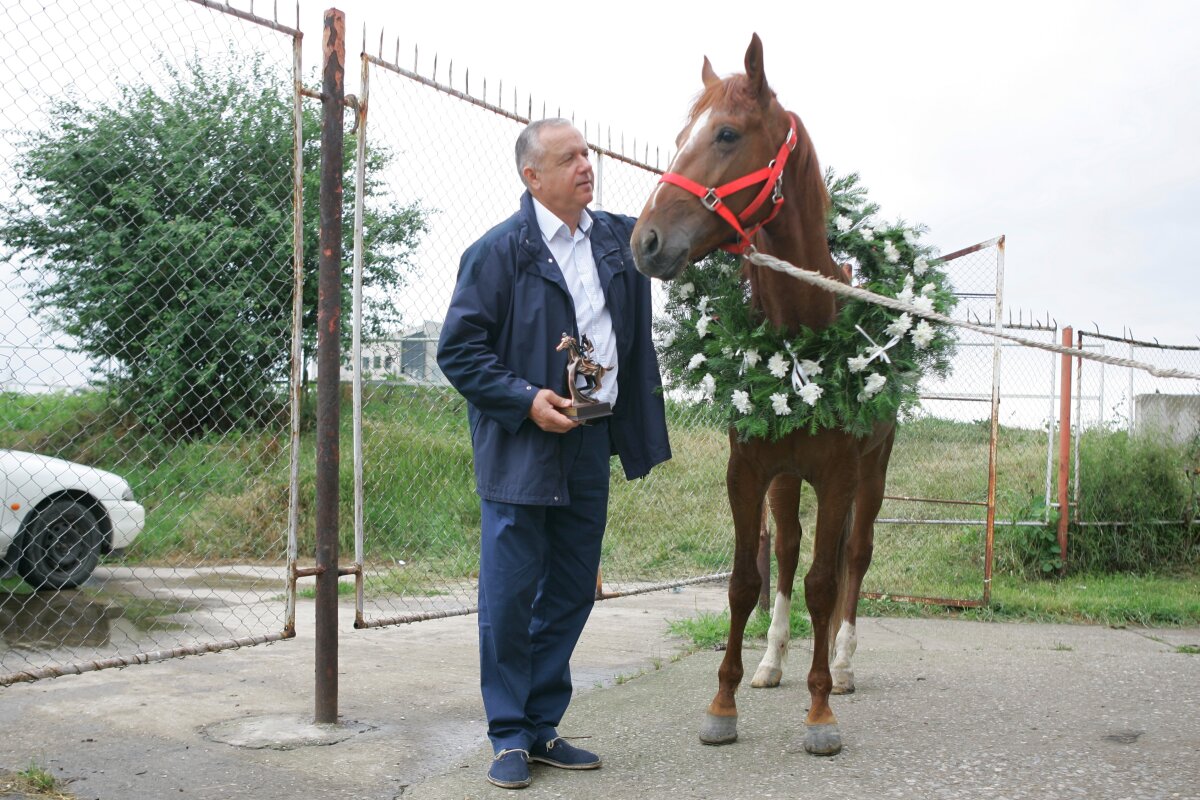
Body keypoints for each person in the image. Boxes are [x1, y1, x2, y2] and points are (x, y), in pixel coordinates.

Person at [437, 118, 671, 790]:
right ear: (531, 176)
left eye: (587, 154)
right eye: (568, 158)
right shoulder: (499, 252)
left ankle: (542, 725)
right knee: (510, 599)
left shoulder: (615, 243)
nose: (586, 165)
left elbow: (685, 232)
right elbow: (460, 351)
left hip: (589, 439)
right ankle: (508, 736)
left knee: (571, 590)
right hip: (521, 447)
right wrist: (523, 399)